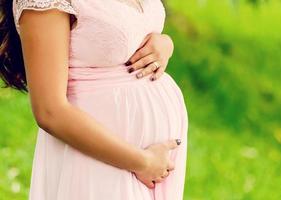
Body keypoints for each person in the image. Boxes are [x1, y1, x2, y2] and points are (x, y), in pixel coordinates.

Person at [0, 0, 188, 199]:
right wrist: (143, 162)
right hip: (100, 159)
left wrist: (164, 43)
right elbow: (49, 111)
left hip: (148, 163)